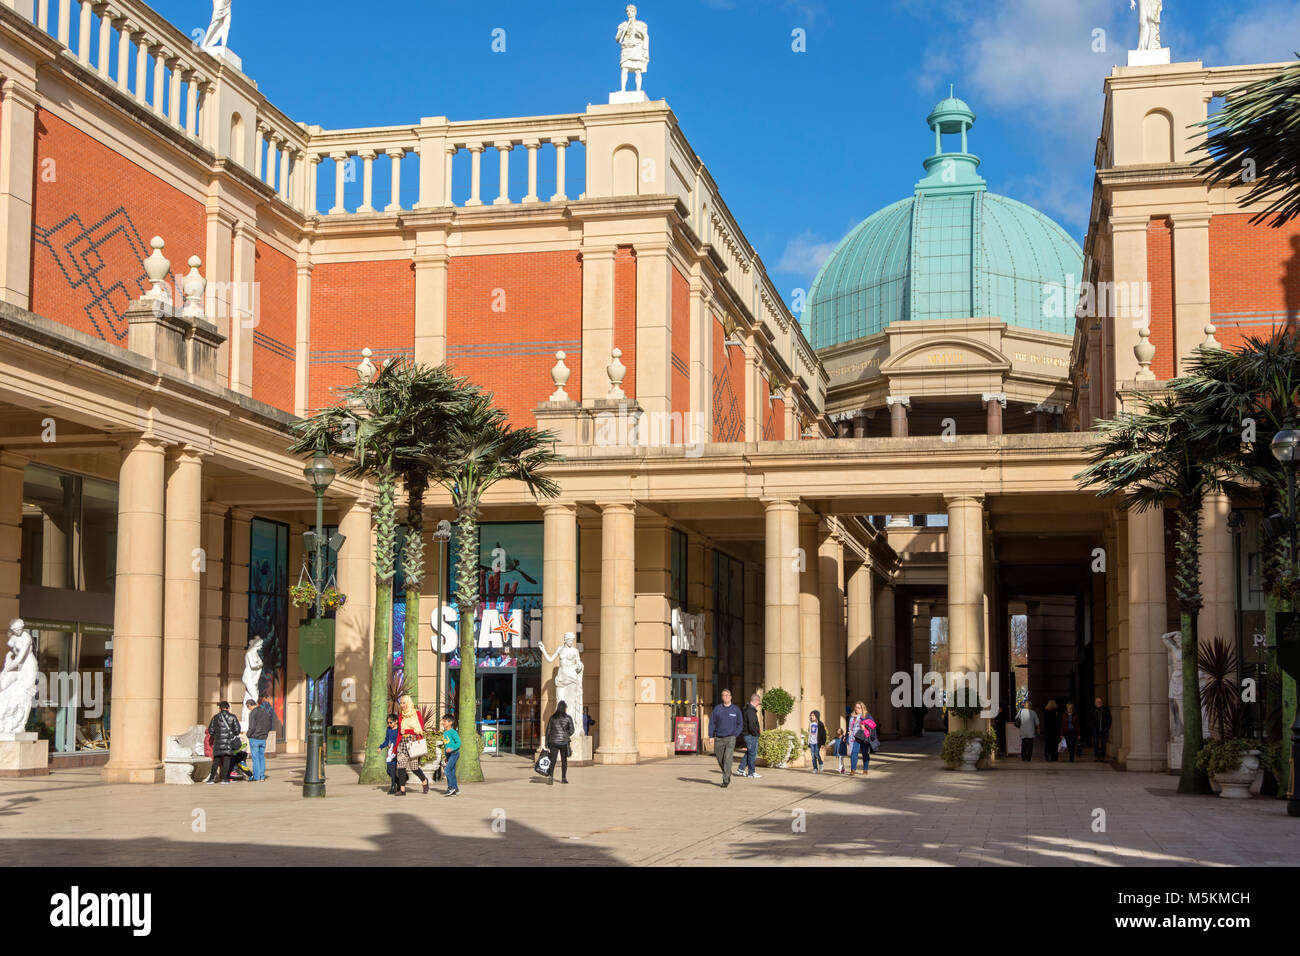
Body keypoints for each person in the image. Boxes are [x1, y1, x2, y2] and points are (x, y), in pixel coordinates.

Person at [707, 688, 743, 788]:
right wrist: (711, 736)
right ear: (722, 697)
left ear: (731, 697)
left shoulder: (736, 710)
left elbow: (740, 724)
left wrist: (735, 734)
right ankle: (727, 771)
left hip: (730, 738)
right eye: (724, 695)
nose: (726, 697)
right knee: (720, 759)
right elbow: (712, 723)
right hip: (718, 738)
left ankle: (725, 780)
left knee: (728, 758)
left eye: (727, 695)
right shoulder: (717, 709)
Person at [394, 694, 429, 796]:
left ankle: (424, 781)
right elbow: (400, 732)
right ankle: (402, 790)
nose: (402, 705)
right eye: (401, 703)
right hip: (402, 742)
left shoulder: (416, 713)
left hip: (413, 742)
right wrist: (396, 747)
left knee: (414, 768)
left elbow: (420, 729)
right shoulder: (401, 715)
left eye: (404, 703)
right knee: (401, 767)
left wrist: (408, 730)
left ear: (408, 703)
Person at [205, 701, 241, 784]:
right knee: (227, 760)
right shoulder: (232, 717)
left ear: (219, 708)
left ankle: (211, 779)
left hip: (218, 742)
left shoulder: (215, 717)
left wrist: (217, 736)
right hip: (228, 742)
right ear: (228, 707)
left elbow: (210, 730)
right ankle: (224, 779)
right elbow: (237, 730)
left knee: (216, 760)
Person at [545, 700, 575, 785]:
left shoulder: (552, 717)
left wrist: (546, 742)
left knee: (553, 760)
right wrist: (566, 734)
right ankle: (563, 778)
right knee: (564, 760)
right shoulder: (568, 718)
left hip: (553, 741)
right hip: (564, 742)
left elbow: (548, 730)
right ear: (565, 708)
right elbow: (572, 730)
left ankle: (551, 777)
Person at [736, 692, 762, 779]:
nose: (759, 704)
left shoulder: (747, 709)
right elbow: (752, 725)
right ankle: (751, 772)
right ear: (757, 701)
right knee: (752, 753)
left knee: (750, 752)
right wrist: (756, 733)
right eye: (759, 702)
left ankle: (741, 768)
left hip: (748, 734)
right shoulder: (751, 711)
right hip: (751, 735)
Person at [246, 696, 272, 782]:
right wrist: (265, 734)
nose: (249, 709)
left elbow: (252, 727)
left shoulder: (253, 713)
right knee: (262, 757)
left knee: (255, 758)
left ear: (249, 705)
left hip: (254, 738)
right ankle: (262, 776)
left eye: (248, 707)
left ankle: (256, 776)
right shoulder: (265, 711)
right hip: (263, 738)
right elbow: (269, 725)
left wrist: (248, 734)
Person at [847, 701, 873, 776]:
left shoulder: (866, 715)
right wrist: (847, 735)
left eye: (858, 708)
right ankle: (853, 770)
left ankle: (865, 769)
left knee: (865, 753)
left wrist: (864, 727)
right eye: (856, 707)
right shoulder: (852, 716)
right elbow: (849, 727)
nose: (857, 709)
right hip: (855, 737)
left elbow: (872, 725)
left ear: (862, 708)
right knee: (854, 753)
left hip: (864, 737)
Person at [440, 714, 460, 796]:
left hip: (454, 753)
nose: (443, 722)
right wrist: (446, 756)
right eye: (443, 721)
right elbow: (446, 746)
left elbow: (459, 743)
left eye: (445, 721)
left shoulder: (453, 732)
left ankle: (451, 788)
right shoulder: (445, 732)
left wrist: (452, 749)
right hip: (449, 755)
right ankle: (455, 789)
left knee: (447, 770)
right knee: (451, 771)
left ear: (450, 722)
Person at [379, 713, 399, 794]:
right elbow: (387, 740)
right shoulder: (388, 730)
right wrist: (381, 747)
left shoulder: (399, 730)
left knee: (393, 770)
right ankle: (399, 781)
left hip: (397, 751)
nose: (389, 724)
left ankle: (393, 786)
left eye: (391, 722)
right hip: (390, 751)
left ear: (396, 721)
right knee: (388, 771)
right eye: (388, 723)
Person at [1088, 696, 1112, 761]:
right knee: (1096, 743)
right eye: (1097, 702)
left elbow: (1109, 719)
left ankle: (1102, 757)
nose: (1099, 703)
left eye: (1100, 702)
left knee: (1103, 743)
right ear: (1095, 703)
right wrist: (1092, 727)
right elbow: (1090, 720)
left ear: (1102, 703)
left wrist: (1107, 727)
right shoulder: (1092, 710)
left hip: (1104, 730)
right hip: (1095, 730)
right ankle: (1096, 756)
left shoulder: (1106, 710)